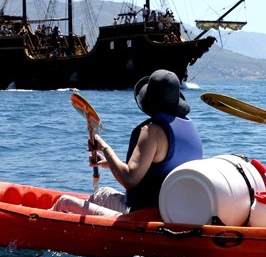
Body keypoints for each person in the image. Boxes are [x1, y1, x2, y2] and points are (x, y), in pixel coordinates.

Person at [51, 69, 203, 217]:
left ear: (149, 101)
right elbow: (160, 167)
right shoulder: (191, 128)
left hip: (143, 216)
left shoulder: (152, 131)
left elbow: (129, 180)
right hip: (174, 213)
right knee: (101, 193)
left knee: (64, 202)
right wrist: (109, 163)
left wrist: (104, 147)